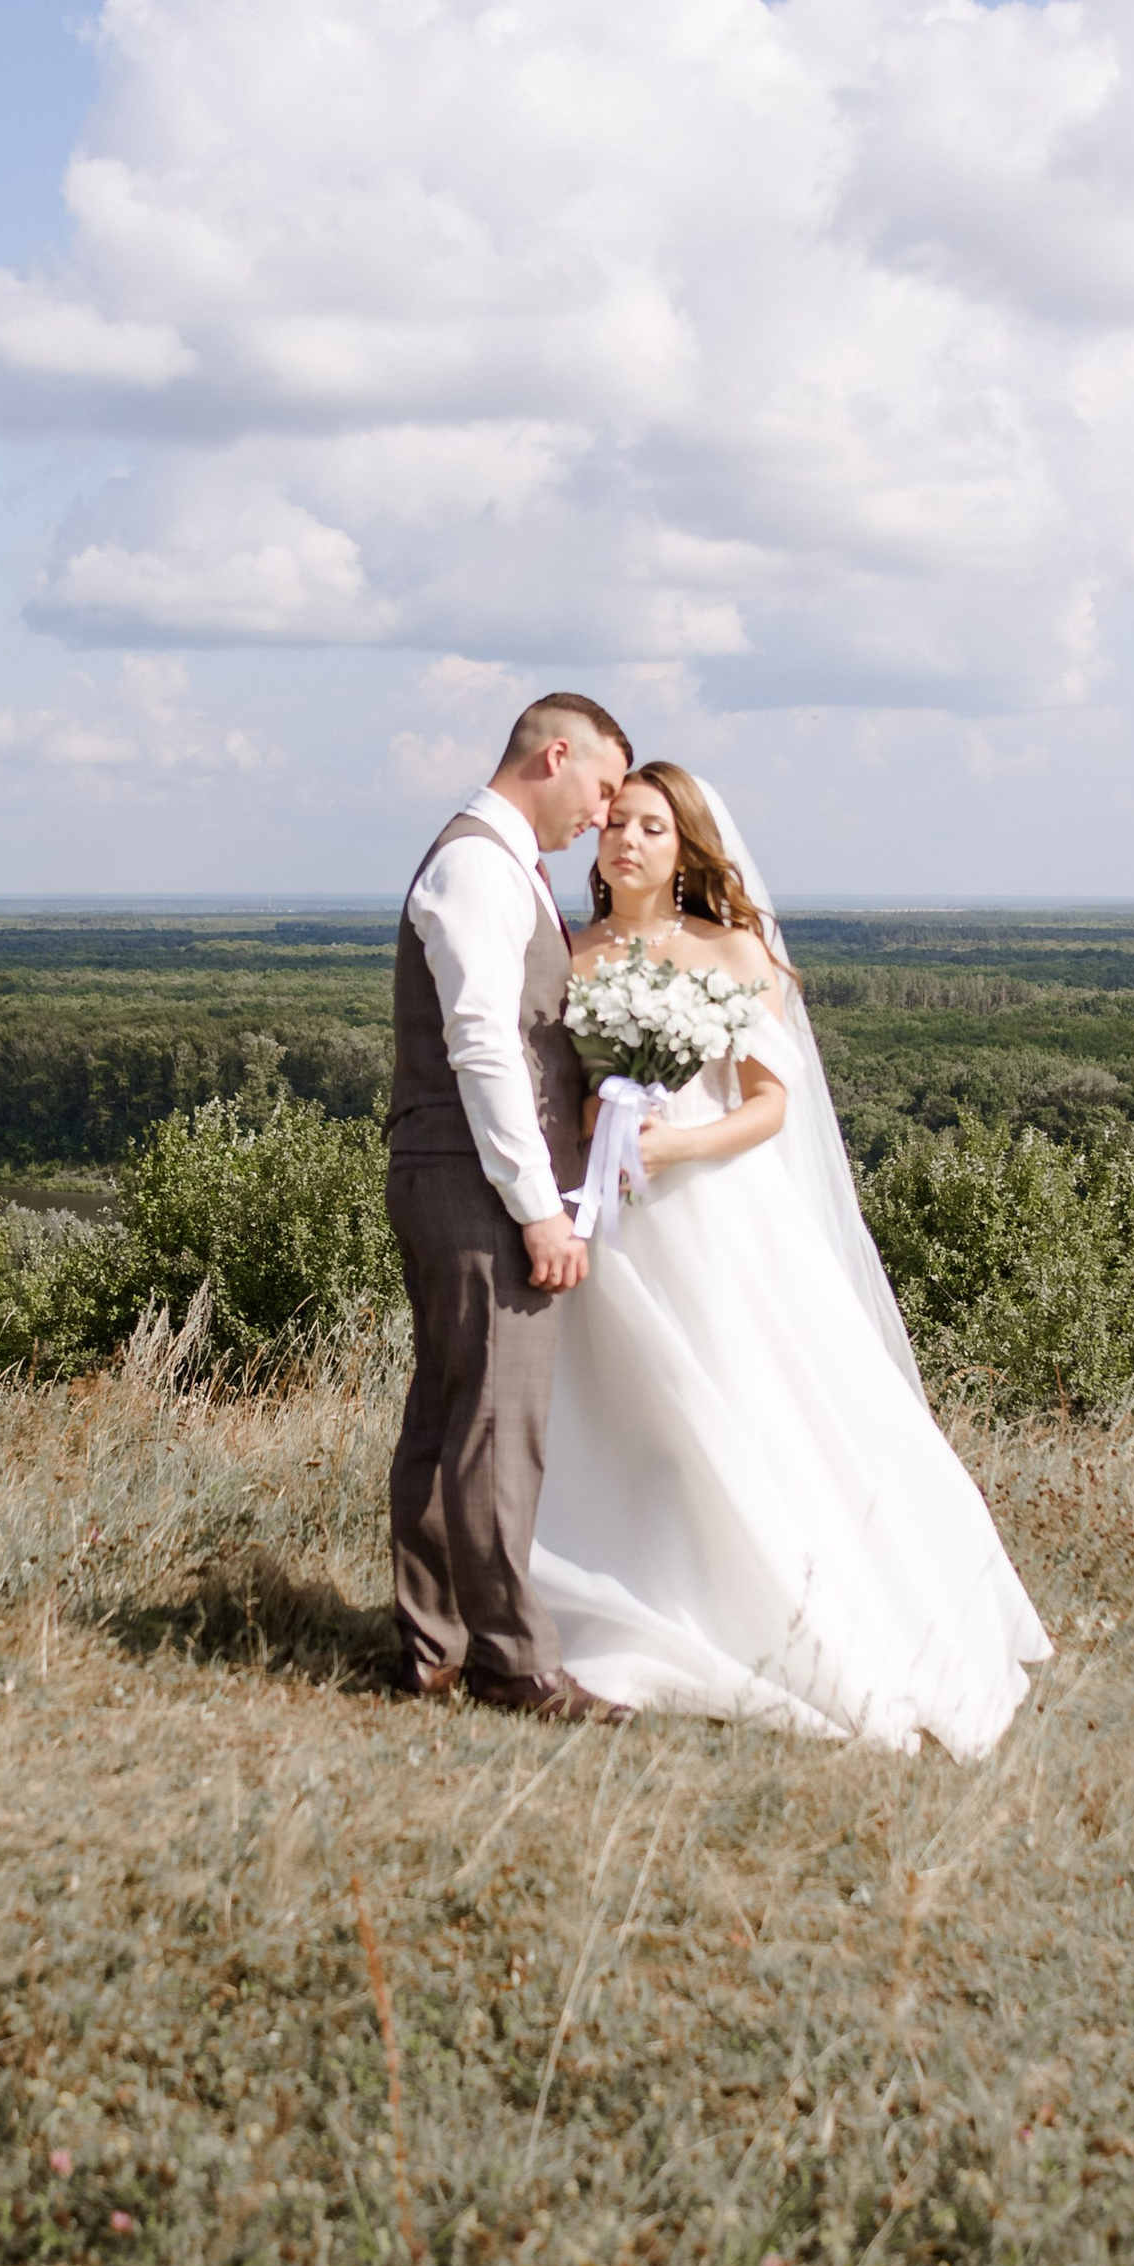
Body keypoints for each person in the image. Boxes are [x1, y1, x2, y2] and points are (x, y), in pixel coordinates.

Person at [529, 762, 1053, 1759]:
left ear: (684, 848)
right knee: (619, 1412)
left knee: (727, 1405)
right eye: (616, 827)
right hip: (607, 1213)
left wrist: (673, 1140)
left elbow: (770, 1103)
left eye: (650, 828)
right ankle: (628, 1590)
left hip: (711, 1212)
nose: (626, 843)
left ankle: (765, 1604)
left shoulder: (731, 952)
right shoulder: (572, 953)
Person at [386, 692, 637, 1717]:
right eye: (606, 786)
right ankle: (515, 1665)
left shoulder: (492, 861)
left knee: (452, 1421)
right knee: (497, 1424)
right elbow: (483, 1043)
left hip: (459, 1175)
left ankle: (430, 1648)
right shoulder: (480, 866)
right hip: (478, 1183)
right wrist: (538, 1207)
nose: (605, 813)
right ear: (556, 755)